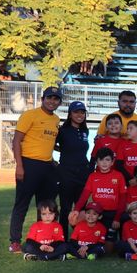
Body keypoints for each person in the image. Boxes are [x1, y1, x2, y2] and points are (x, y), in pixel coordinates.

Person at [9, 86, 63, 253]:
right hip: (28, 164)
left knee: (46, 207)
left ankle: (44, 240)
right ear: (42, 99)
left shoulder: (56, 119)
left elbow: (47, 143)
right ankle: (15, 241)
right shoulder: (29, 115)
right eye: (49, 98)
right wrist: (19, 165)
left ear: (59, 102)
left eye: (55, 99)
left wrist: (53, 160)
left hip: (47, 167)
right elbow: (16, 141)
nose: (52, 101)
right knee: (22, 204)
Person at [53, 100, 91, 233]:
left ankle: (79, 238)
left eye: (82, 112)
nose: (79, 115)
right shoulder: (63, 131)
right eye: (76, 112)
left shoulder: (85, 130)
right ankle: (63, 238)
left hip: (82, 173)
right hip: (66, 173)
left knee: (81, 208)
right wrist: (62, 151)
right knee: (66, 207)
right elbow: (50, 145)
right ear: (70, 114)